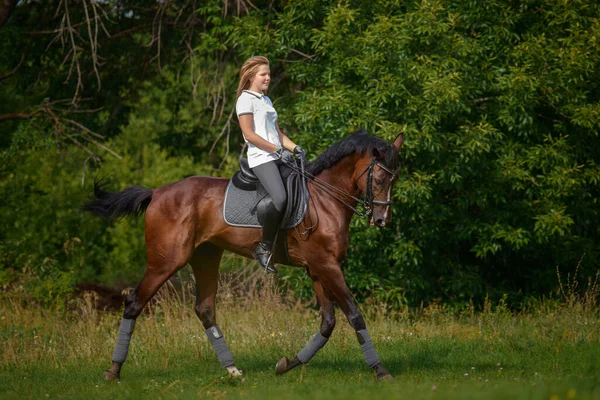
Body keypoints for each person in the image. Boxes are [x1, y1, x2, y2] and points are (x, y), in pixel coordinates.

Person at [235, 55, 305, 273]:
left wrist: (295, 148)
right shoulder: (245, 100)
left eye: (269, 74)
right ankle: (264, 248)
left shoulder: (266, 100)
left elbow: (277, 133)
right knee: (281, 197)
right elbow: (249, 134)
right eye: (263, 74)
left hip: (277, 155)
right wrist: (278, 150)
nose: (268, 78)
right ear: (250, 76)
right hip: (261, 158)